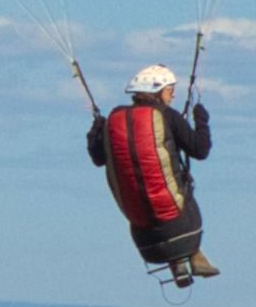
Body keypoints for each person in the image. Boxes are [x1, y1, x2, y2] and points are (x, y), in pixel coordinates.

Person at [89, 61, 219, 286]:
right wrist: (201, 118)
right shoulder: (167, 116)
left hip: (144, 236)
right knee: (177, 195)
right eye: (170, 90)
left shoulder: (113, 121)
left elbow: (98, 158)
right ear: (158, 92)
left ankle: (179, 262)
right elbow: (200, 149)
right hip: (185, 225)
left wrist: (96, 130)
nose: (173, 96)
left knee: (154, 203)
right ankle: (193, 255)